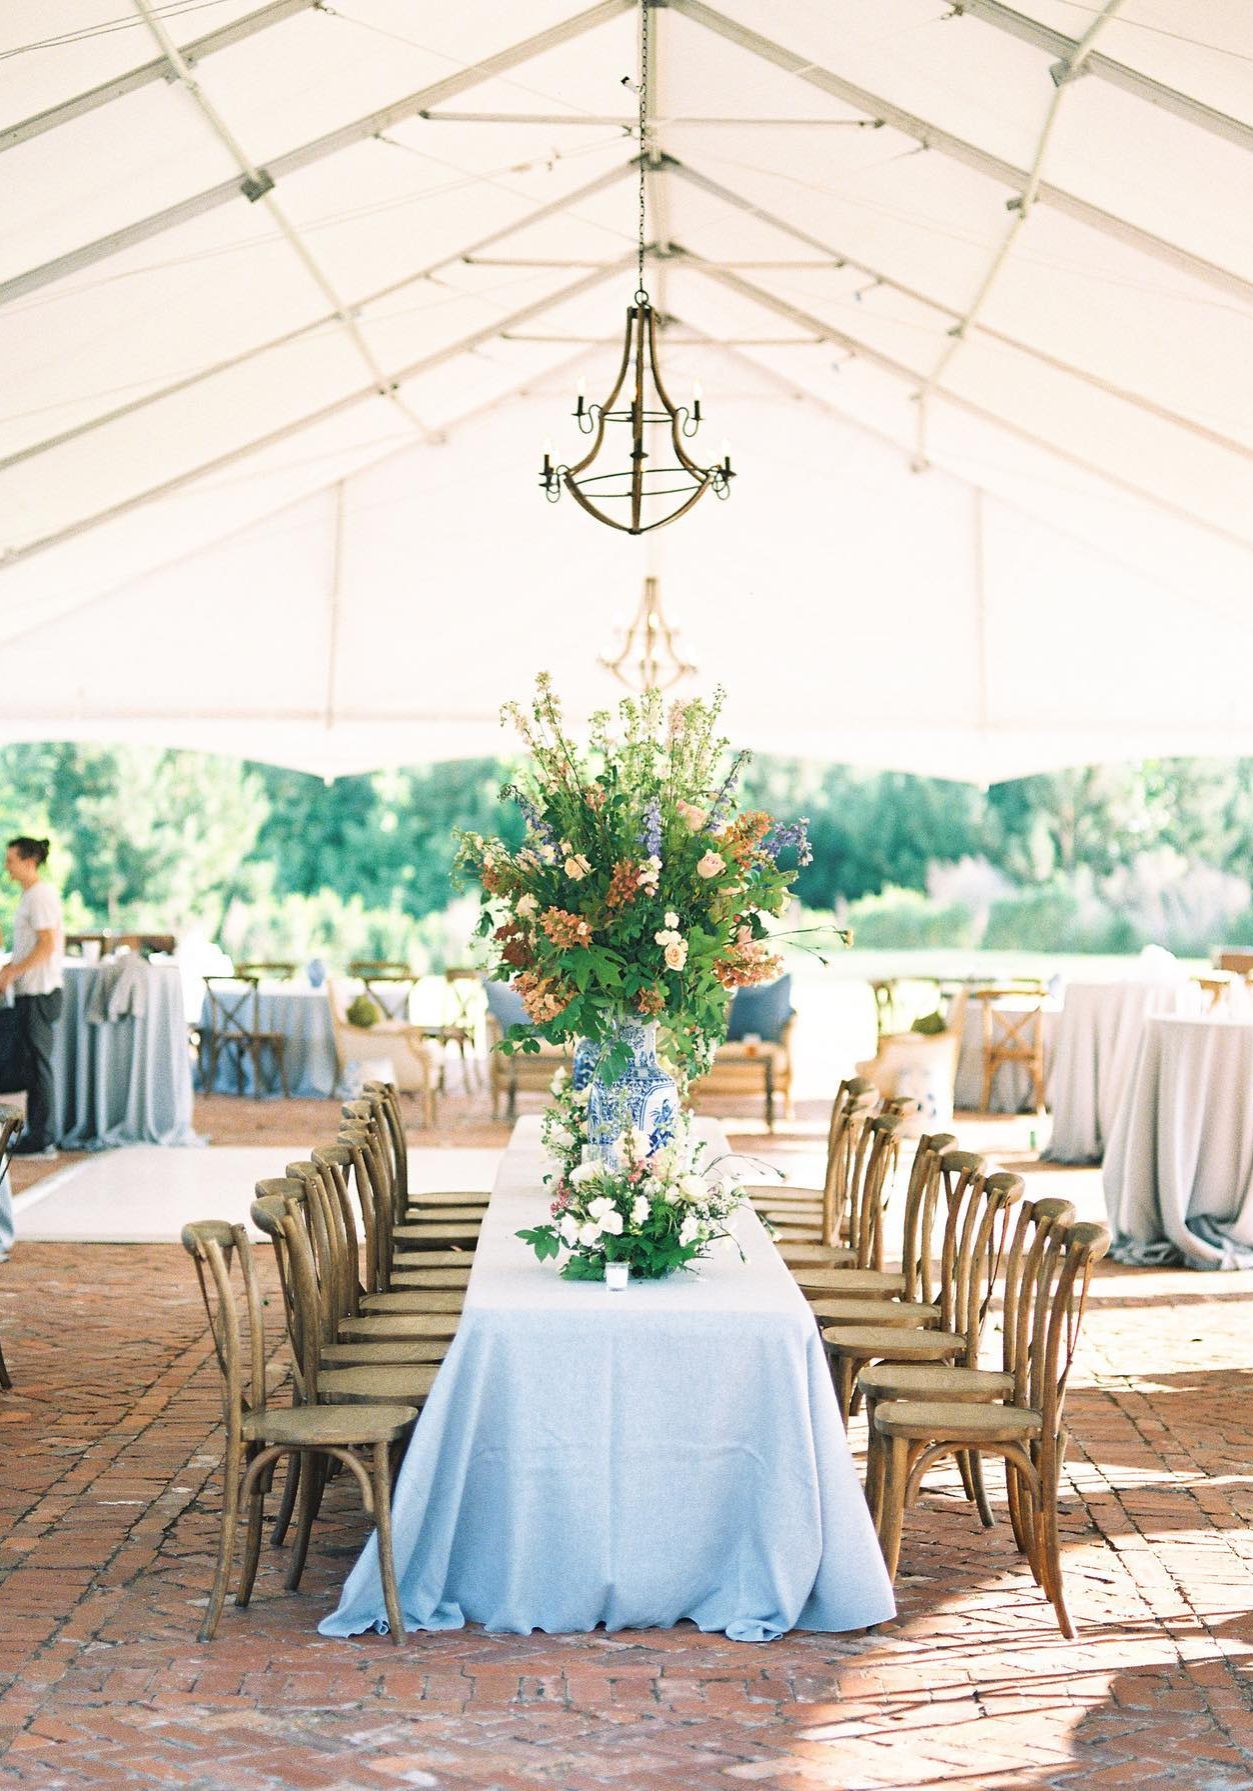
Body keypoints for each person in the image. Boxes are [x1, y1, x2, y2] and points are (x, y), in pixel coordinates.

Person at [0, 837, 64, 1157]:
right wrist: (10, 967)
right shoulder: (28, 896)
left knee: (39, 1066)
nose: (6, 867)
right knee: (28, 1063)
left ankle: (43, 1138)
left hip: (41, 992)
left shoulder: (40, 895)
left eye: (10, 860)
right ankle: (34, 1133)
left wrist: (14, 971)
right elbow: (29, 946)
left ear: (29, 862)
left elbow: (47, 944)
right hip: (28, 991)